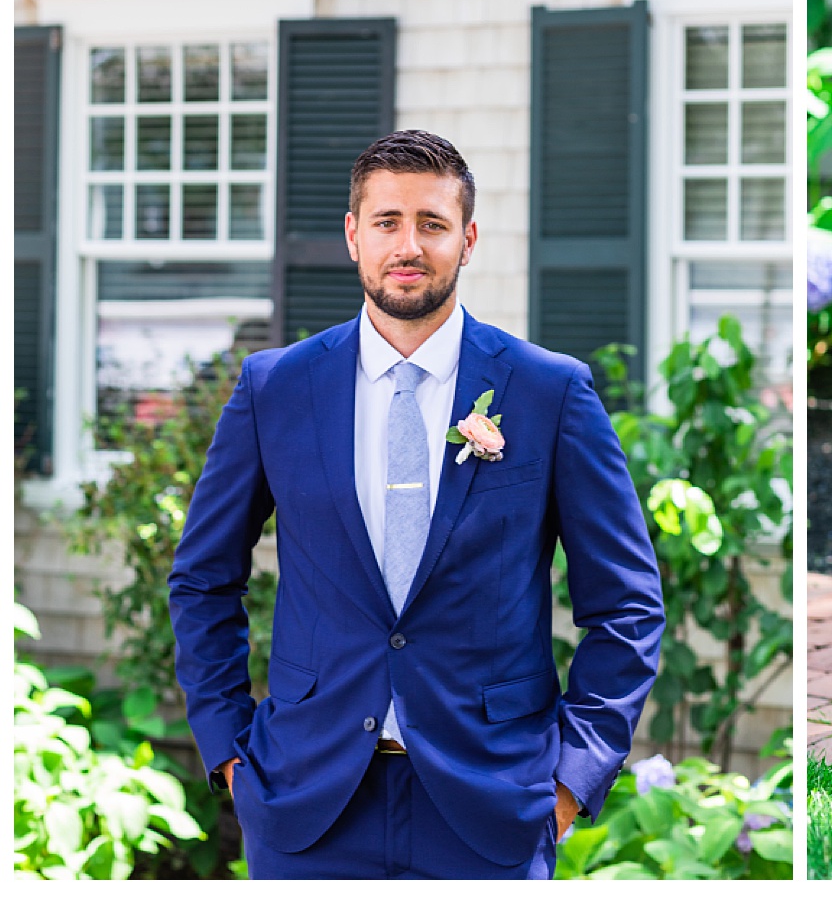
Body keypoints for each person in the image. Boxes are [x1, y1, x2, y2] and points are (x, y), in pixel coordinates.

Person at [169, 130, 664, 878]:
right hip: (306, 803)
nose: (409, 245)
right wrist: (232, 754)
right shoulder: (275, 389)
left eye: (432, 224)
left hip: (491, 806)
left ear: (466, 240)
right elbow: (203, 579)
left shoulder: (549, 391)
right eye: (387, 222)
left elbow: (627, 604)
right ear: (352, 235)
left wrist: (570, 779)